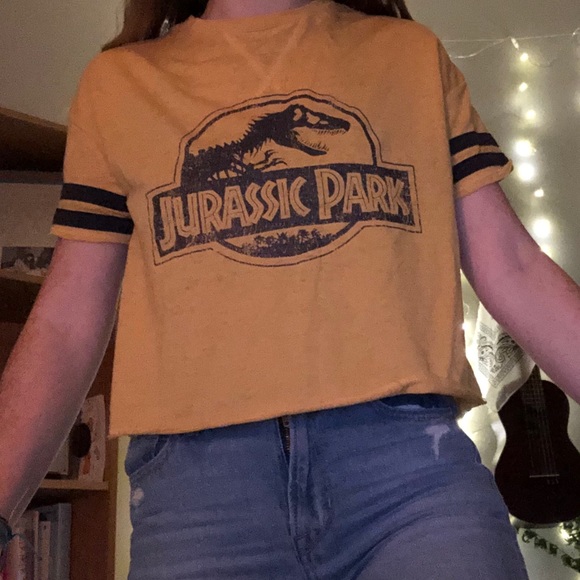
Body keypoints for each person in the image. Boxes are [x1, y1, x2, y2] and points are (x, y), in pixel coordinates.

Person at [1, 0, 579, 577]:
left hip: (411, 479)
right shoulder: (119, 84)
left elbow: (515, 269)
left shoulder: (410, 56)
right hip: (200, 498)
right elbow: (66, 323)